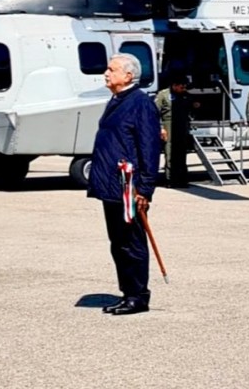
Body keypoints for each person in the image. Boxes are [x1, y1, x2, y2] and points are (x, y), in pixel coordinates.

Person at [88, 53, 161, 316]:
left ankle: (138, 296)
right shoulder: (118, 100)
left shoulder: (140, 103)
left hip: (129, 186)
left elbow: (149, 148)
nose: (106, 73)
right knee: (118, 242)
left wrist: (146, 188)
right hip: (112, 186)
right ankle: (127, 292)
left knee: (131, 242)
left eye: (112, 69)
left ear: (128, 76)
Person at [155, 73, 192, 188]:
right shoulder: (163, 95)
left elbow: (191, 109)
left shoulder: (186, 95)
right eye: (181, 86)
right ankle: (170, 179)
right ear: (174, 85)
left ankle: (182, 179)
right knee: (170, 152)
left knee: (181, 154)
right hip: (168, 126)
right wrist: (160, 128)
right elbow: (155, 112)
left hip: (182, 127)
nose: (183, 89)